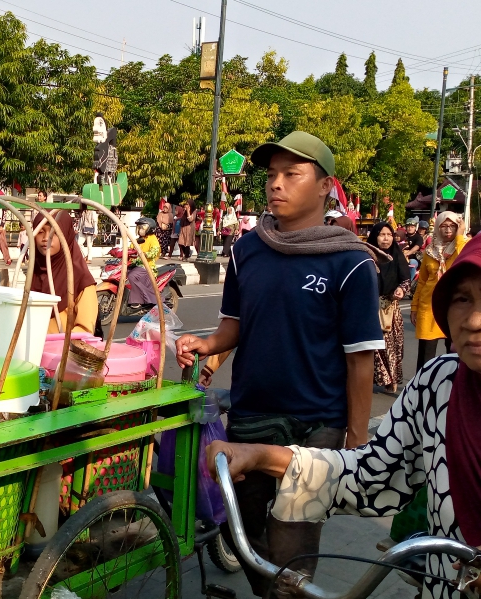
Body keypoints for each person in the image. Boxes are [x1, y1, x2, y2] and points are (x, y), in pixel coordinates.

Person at [208, 233, 481, 599]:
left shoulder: (352, 265)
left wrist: (354, 430)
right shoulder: (438, 384)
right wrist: (259, 456)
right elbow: (371, 473)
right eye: (463, 299)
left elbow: (360, 356)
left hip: (321, 416)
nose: (474, 320)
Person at [175, 131, 384, 597]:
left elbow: (360, 360)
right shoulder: (247, 250)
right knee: (243, 532)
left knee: (292, 550)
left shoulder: (349, 262)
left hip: (317, 426)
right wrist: (206, 344)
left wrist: (355, 440)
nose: (276, 184)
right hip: (252, 413)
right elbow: (235, 325)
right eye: (272, 175)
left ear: (325, 185)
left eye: (292, 174)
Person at [412, 212, 467, 370]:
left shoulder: (462, 246)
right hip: (429, 306)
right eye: (444, 226)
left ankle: (453, 390)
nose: (448, 229)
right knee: (425, 357)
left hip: (454, 306)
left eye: (452, 226)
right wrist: (415, 307)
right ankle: (421, 390)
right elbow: (422, 281)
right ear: (437, 227)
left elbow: (462, 249)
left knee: (455, 354)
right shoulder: (430, 251)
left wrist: (460, 233)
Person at [30, 211, 98, 334]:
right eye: (40, 232)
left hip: (62, 351)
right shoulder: (34, 274)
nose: (46, 238)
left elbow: (85, 331)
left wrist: (55, 346)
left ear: (66, 236)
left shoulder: (81, 281)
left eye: (54, 233)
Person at [367, 222, 410, 394]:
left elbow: (405, 279)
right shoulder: (367, 256)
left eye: (389, 235)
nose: (386, 239)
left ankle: (391, 379)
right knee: (375, 347)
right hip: (370, 307)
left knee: (393, 346)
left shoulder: (397, 256)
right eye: (382, 234)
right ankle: (378, 378)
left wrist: (401, 289)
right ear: (375, 236)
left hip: (391, 308)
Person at [127, 217, 161, 309]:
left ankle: (137, 300)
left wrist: (144, 254)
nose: (139, 230)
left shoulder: (152, 239)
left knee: (132, 276)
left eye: (142, 228)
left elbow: (155, 251)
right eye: (139, 228)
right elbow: (130, 248)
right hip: (136, 265)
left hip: (147, 267)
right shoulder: (139, 239)